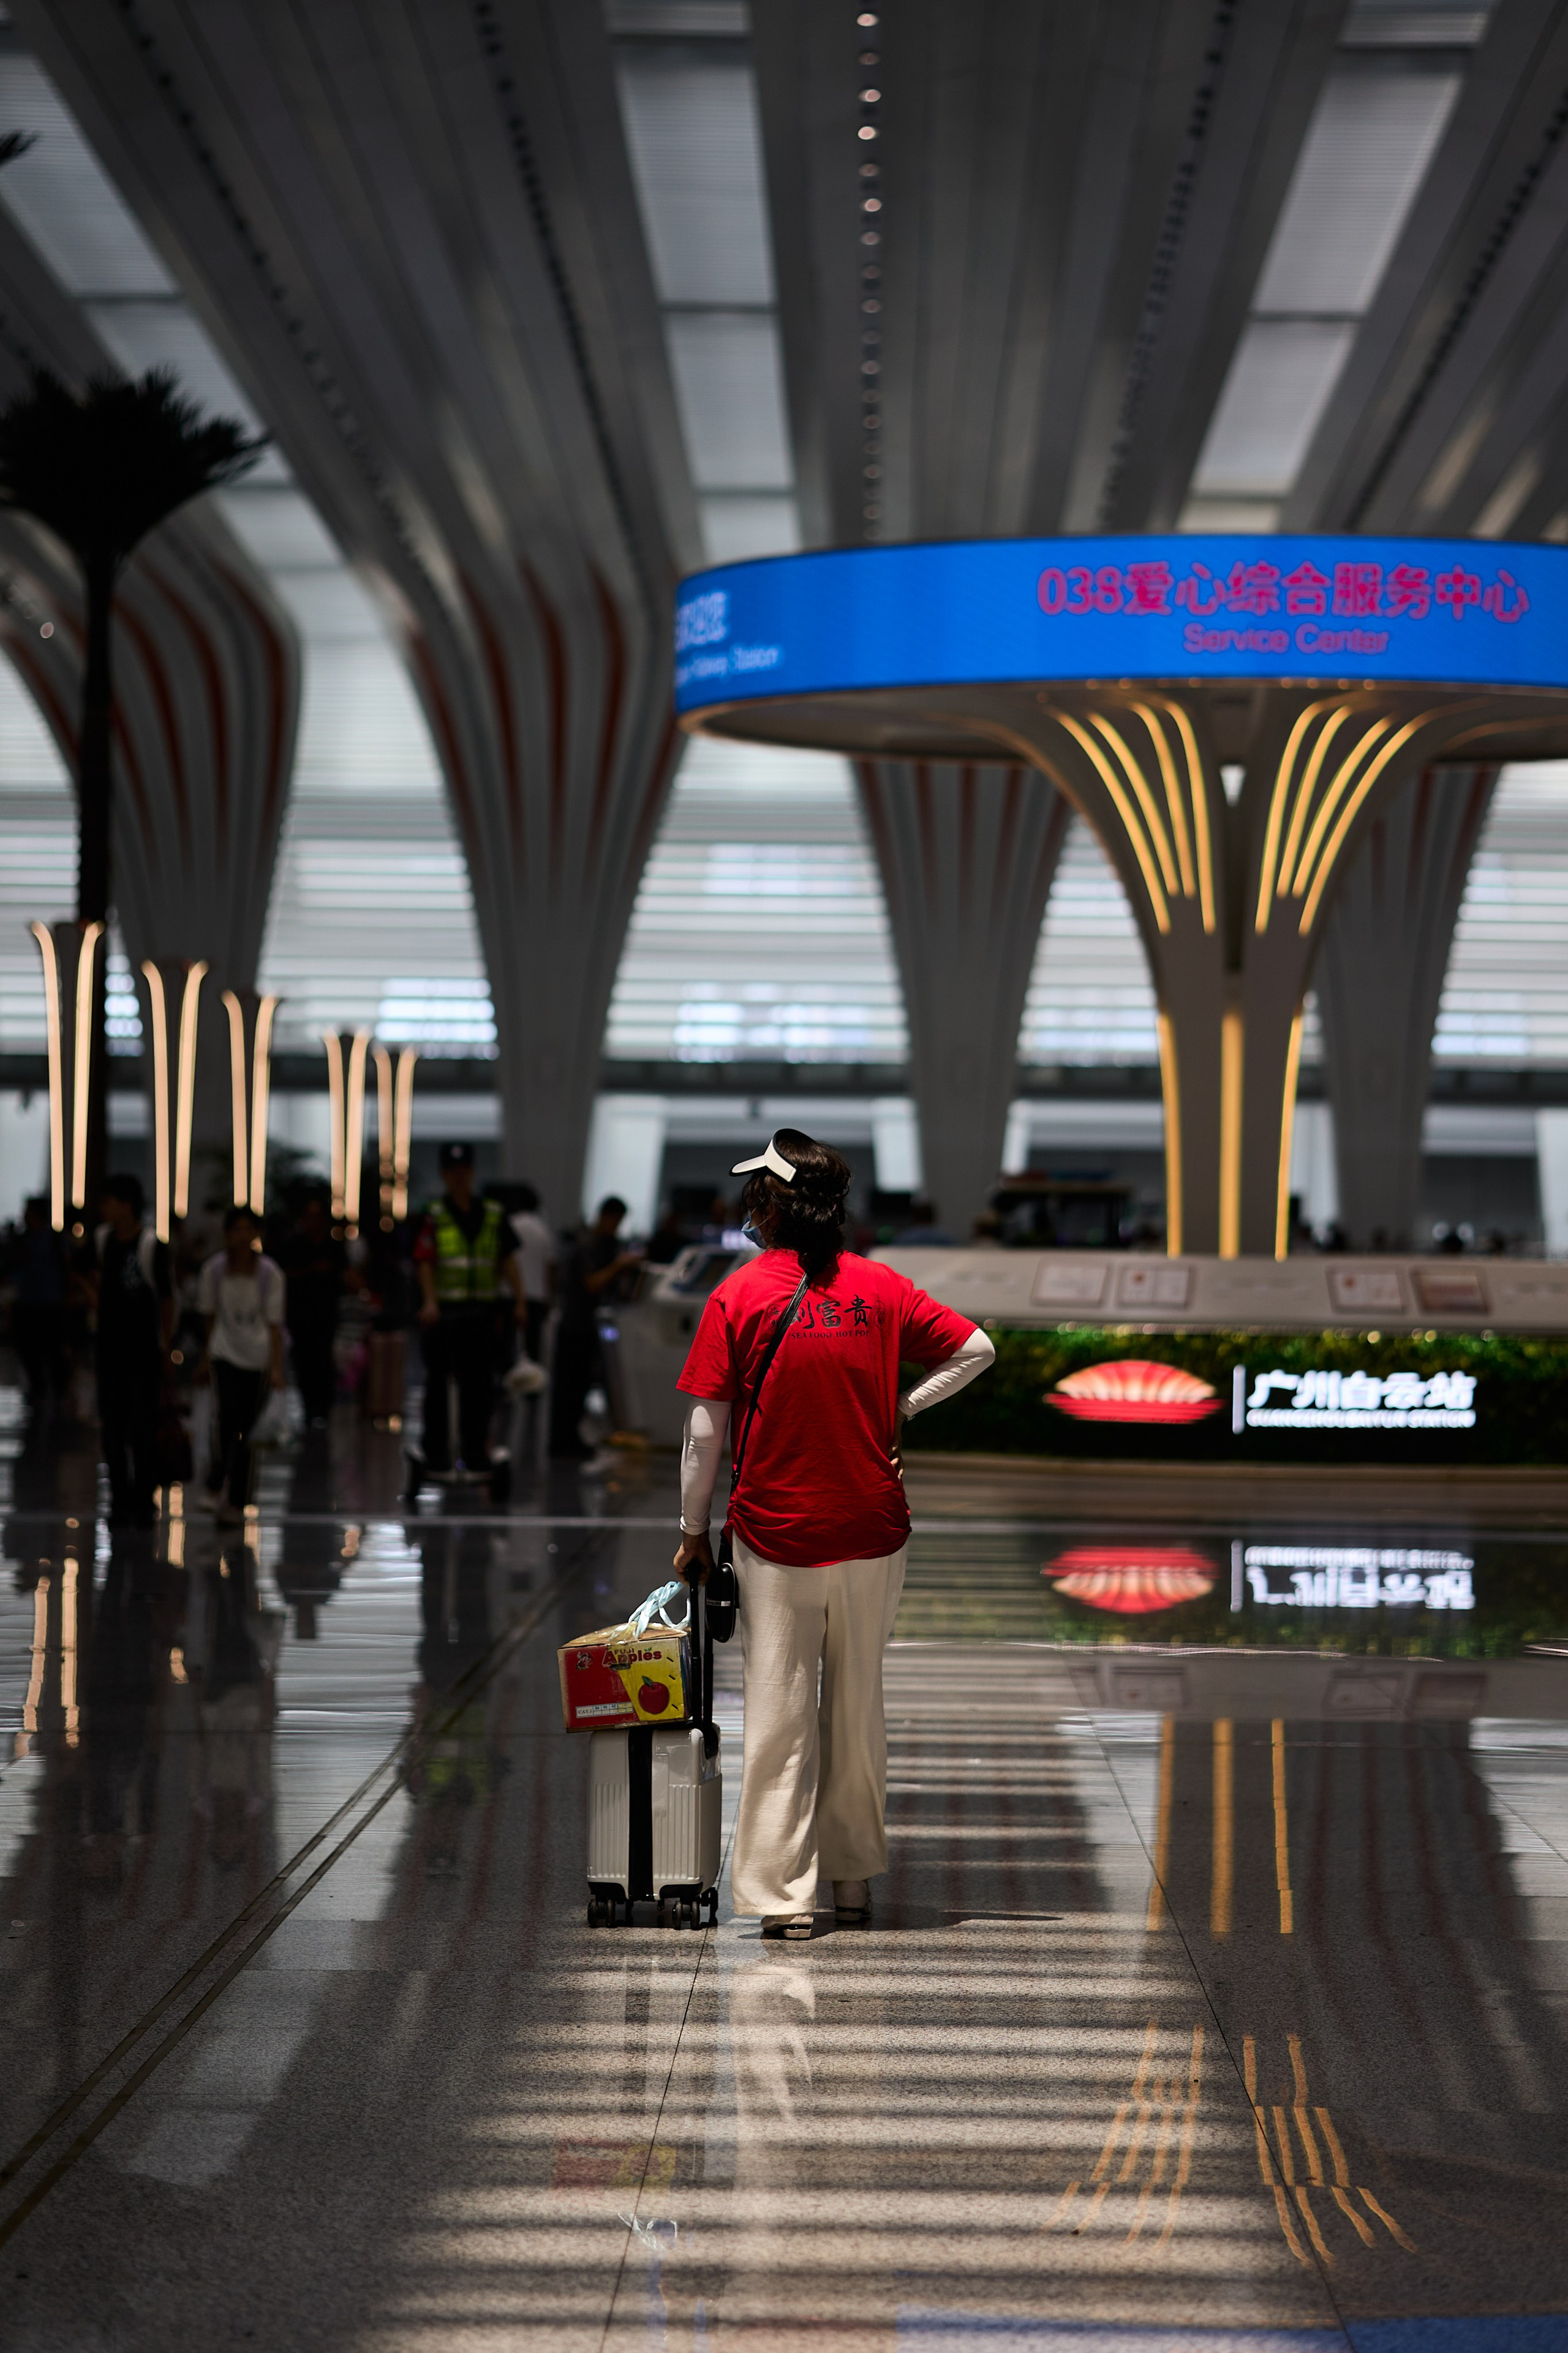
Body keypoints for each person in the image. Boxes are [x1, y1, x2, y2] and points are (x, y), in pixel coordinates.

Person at [673, 1128, 993, 1938]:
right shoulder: (881, 1287)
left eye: (758, 1194)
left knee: (780, 1711)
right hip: (874, 1529)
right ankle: (851, 1881)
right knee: (857, 1710)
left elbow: (704, 1433)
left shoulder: (739, 1295)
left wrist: (692, 1531)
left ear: (777, 1205)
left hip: (776, 1534)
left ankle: (783, 1897)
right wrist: (907, 1407)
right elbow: (976, 1347)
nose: (750, 1207)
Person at [412, 1143, 526, 1472]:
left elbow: (508, 1261)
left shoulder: (493, 1213)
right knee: (438, 1386)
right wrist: (430, 1301)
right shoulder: (433, 1215)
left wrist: (519, 1301)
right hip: (445, 1314)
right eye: (452, 1171)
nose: (459, 1177)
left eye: (464, 1171)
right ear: (444, 1175)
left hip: (482, 1314)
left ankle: (476, 1454)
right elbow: (425, 1263)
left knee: (479, 1388)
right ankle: (435, 1454)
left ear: (472, 1173)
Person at [88, 1174, 173, 1527]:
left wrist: (165, 1345)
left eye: (108, 1201)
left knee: (142, 1427)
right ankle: (120, 1498)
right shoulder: (103, 1240)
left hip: (142, 1352)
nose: (103, 1208)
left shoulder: (151, 1245)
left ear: (126, 1204)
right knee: (112, 1430)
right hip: (109, 1350)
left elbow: (166, 1298)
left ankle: (142, 1496)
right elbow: (87, 1276)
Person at [198, 1206, 286, 1524]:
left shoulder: (270, 1275)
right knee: (227, 1420)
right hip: (225, 1353)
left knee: (248, 1429)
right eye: (237, 1230)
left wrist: (277, 1368)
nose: (242, 1237)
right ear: (227, 1233)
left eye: (249, 1230)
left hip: (258, 1359)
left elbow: (275, 1325)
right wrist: (206, 1356)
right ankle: (216, 1481)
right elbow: (209, 1316)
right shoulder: (215, 1271)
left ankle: (238, 1499)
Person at [549, 1195, 641, 1460]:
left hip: (588, 1327)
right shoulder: (586, 1246)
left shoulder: (604, 1245)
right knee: (569, 1387)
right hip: (575, 1326)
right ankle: (562, 1440)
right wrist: (618, 1267)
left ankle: (569, 1437)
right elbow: (592, 1283)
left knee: (580, 1387)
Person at [277, 1190, 353, 1426]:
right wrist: (312, 1271)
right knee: (304, 1362)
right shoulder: (294, 1245)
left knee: (324, 1361)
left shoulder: (334, 1245)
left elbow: (346, 1276)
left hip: (326, 1314)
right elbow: (285, 1276)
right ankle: (309, 1407)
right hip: (300, 1315)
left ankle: (324, 1408)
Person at [8, 1195, 70, 1416]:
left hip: (49, 1302)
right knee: (28, 1347)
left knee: (52, 1349)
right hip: (28, 1300)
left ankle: (56, 1389)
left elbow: (65, 1268)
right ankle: (40, 1387)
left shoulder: (53, 1239)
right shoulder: (23, 1239)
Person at [507, 1180, 557, 1367]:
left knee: (509, 1348)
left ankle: (507, 1388)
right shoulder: (543, 1231)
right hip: (537, 1296)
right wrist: (550, 1298)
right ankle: (532, 1392)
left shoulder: (510, 1225)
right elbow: (550, 1268)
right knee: (533, 1349)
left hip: (510, 1296)